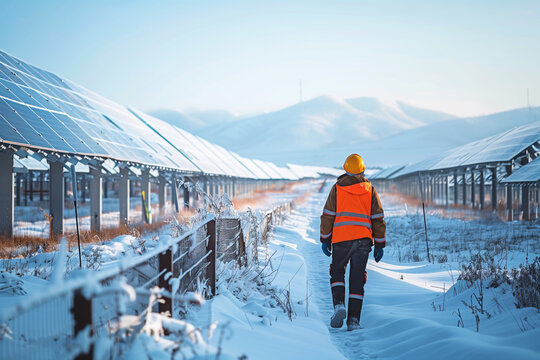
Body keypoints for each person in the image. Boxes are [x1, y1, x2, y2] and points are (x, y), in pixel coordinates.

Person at [320, 154, 386, 331]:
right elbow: (378, 218)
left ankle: (339, 305)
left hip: (341, 239)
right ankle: (354, 321)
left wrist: (325, 239)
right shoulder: (370, 189)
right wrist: (380, 244)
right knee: (357, 278)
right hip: (363, 240)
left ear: (345, 169)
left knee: (336, 272)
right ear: (363, 170)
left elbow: (328, 215)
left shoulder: (337, 188)